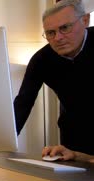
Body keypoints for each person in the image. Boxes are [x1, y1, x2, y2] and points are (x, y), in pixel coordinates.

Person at [13, 0, 94, 155]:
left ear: (85, 20)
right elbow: (22, 104)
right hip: (73, 141)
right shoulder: (40, 60)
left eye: (65, 28)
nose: (57, 38)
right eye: (50, 33)